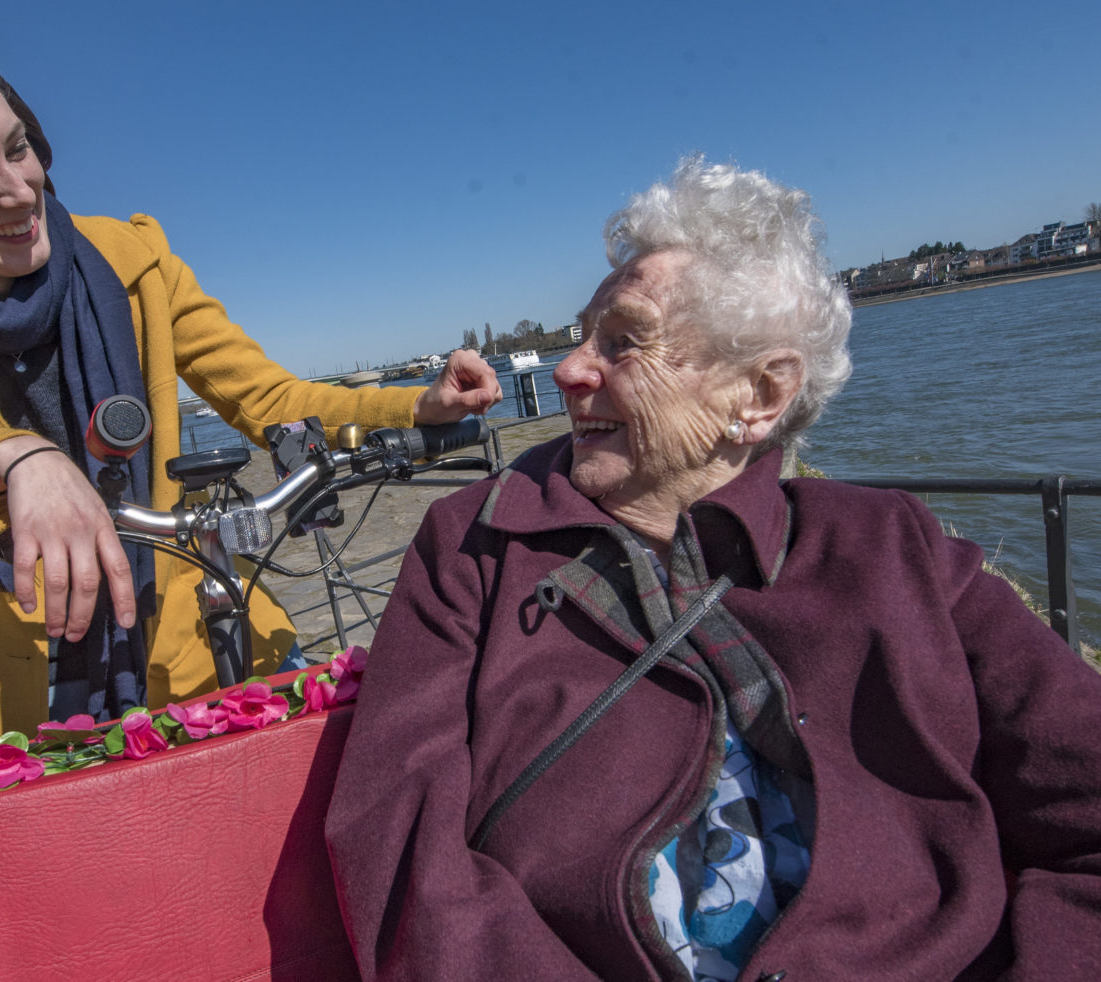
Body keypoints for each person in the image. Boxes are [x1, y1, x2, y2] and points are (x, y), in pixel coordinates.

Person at [324, 157, 1101, 980]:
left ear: (761, 396)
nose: (568, 370)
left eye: (623, 342)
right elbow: (400, 842)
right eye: (583, 336)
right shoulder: (474, 546)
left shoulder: (895, 549)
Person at [0, 19, 500, 740]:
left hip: (198, 621)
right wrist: (15, 459)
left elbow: (273, 401)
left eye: (19, 148)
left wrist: (419, 403)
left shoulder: (130, 259)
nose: (21, 190)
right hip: (31, 672)